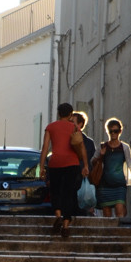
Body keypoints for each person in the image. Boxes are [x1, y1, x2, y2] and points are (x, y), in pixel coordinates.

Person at [39, 102, 89, 238]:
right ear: (71, 114)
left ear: (58, 113)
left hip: (55, 163)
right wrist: (85, 165)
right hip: (72, 164)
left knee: (55, 191)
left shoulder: (50, 127)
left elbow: (45, 147)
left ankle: (58, 215)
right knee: (68, 194)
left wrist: (41, 167)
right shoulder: (74, 128)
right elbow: (82, 146)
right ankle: (66, 226)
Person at [93, 118, 131, 221]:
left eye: (116, 131)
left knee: (120, 210)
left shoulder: (125, 148)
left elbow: (130, 165)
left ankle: (120, 233)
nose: (113, 133)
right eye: (111, 131)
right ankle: (109, 235)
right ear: (107, 132)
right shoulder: (102, 147)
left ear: (120, 131)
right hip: (104, 185)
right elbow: (93, 162)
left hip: (119, 185)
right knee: (107, 215)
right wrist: (101, 156)